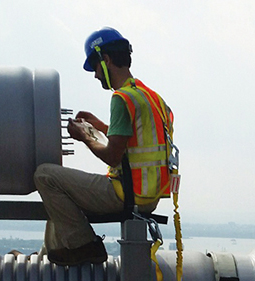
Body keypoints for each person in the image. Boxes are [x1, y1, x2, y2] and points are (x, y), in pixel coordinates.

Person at [34, 27, 175, 266]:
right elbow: (134, 141)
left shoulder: (121, 98)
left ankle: (83, 245)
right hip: (149, 195)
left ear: (106, 60)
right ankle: (54, 252)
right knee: (60, 205)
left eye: (96, 68)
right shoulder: (150, 97)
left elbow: (112, 155)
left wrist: (84, 136)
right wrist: (99, 126)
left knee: (45, 175)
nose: (96, 75)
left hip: (126, 194)